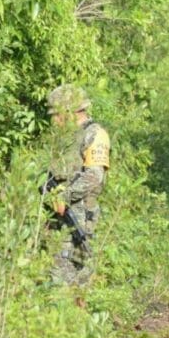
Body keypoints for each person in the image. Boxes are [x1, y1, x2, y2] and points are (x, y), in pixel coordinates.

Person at [44, 84, 110, 285]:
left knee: (72, 280)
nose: (54, 120)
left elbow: (94, 176)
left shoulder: (95, 135)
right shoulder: (64, 137)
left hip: (78, 219)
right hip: (56, 218)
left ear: (71, 111)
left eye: (57, 115)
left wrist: (65, 196)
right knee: (52, 273)